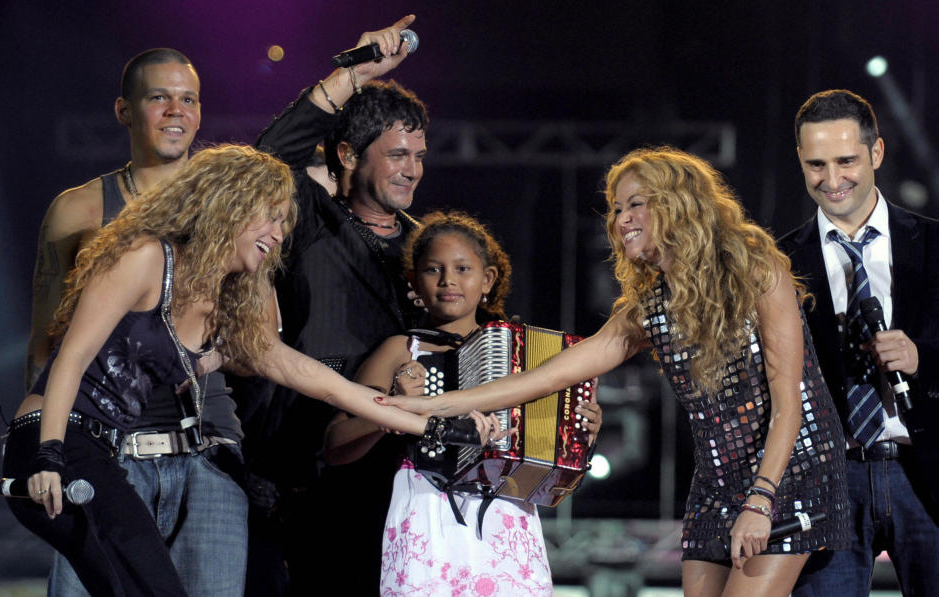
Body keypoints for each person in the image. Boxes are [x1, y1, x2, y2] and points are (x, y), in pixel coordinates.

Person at [2, 144, 484, 597]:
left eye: (283, 222)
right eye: (269, 217)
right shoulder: (147, 257)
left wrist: (436, 423)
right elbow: (72, 355)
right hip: (56, 440)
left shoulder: (223, 308)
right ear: (228, 205)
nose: (277, 234)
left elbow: (337, 389)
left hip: (103, 455)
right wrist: (49, 453)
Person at [380, 147, 852, 597]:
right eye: (615, 208)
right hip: (717, 480)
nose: (620, 219)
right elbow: (542, 378)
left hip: (791, 467)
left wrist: (761, 499)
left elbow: (791, 398)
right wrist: (424, 405)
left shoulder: (754, 267)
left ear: (676, 204)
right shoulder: (648, 309)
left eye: (634, 204)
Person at [25, 48, 252, 597]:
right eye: (159, 97)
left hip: (205, 453)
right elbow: (48, 344)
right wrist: (41, 448)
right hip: (102, 452)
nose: (176, 110)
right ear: (125, 110)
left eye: (188, 99)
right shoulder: (78, 209)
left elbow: (260, 338)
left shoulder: (227, 212)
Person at [243, 15, 428, 594]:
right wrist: (353, 73)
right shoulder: (312, 219)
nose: (412, 169)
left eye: (419, 155)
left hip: (396, 480)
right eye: (396, 154)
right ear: (347, 154)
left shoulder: (428, 246)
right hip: (300, 470)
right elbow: (268, 157)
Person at [324, 211, 602, 595]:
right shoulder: (402, 349)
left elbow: (552, 460)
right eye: (433, 269)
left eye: (462, 268)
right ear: (414, 282)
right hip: (427, 508)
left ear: (487, 279)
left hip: (506, 512)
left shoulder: (525, 356)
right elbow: (336, 443)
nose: (448, 280)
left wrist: (581, 428)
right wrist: (392, 408)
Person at [779, 89, 939, 596]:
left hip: (926, 472)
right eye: (816, 165)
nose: (832, 180)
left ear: (876, 153)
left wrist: (922, 359)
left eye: (846, 160)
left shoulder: (934, 245)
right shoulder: (776, 265)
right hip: (829, 482)